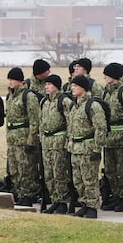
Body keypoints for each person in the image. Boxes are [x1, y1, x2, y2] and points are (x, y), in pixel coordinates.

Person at [67, 75, 108, 218]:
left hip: (88, 148)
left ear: (83, 88)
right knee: (78, 180)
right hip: (76, 148)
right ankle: (84, 203)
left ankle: (92, 206)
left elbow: (100, 128)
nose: (72, 88)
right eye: (72, 85)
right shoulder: (74, 106)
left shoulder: (92, 105)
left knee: (89, 179)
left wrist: (97, 149)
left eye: (76, 86)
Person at [5, 67, 42, 206]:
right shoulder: (10, 96)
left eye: (12, 79)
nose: (10, 82)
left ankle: (28, 194)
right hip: (13, 139)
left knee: (26, 168)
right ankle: (20, 192)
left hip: (24, 138)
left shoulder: (28, 96)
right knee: (14, 169)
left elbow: (34, 120)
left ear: (20, 81)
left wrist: (31, 141)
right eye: (9, 79)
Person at [102, 62, 123, 212]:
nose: (104, 77)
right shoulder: (106, 92)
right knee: (110, 170)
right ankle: (116, 195)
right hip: (109, 138)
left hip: (122, 137)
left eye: (107, 75)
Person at [39, 74, 73, 214]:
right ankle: (55, 200)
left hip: (59, 142)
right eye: (46, 84)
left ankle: (63, 201)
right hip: (47, 143)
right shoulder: (44, 102)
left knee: (60, 173)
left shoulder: (63, 100)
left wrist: (68, 140)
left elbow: (71, 121)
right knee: (49, 174)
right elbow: (41, 121)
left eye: (50, 84)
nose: (46, 87)